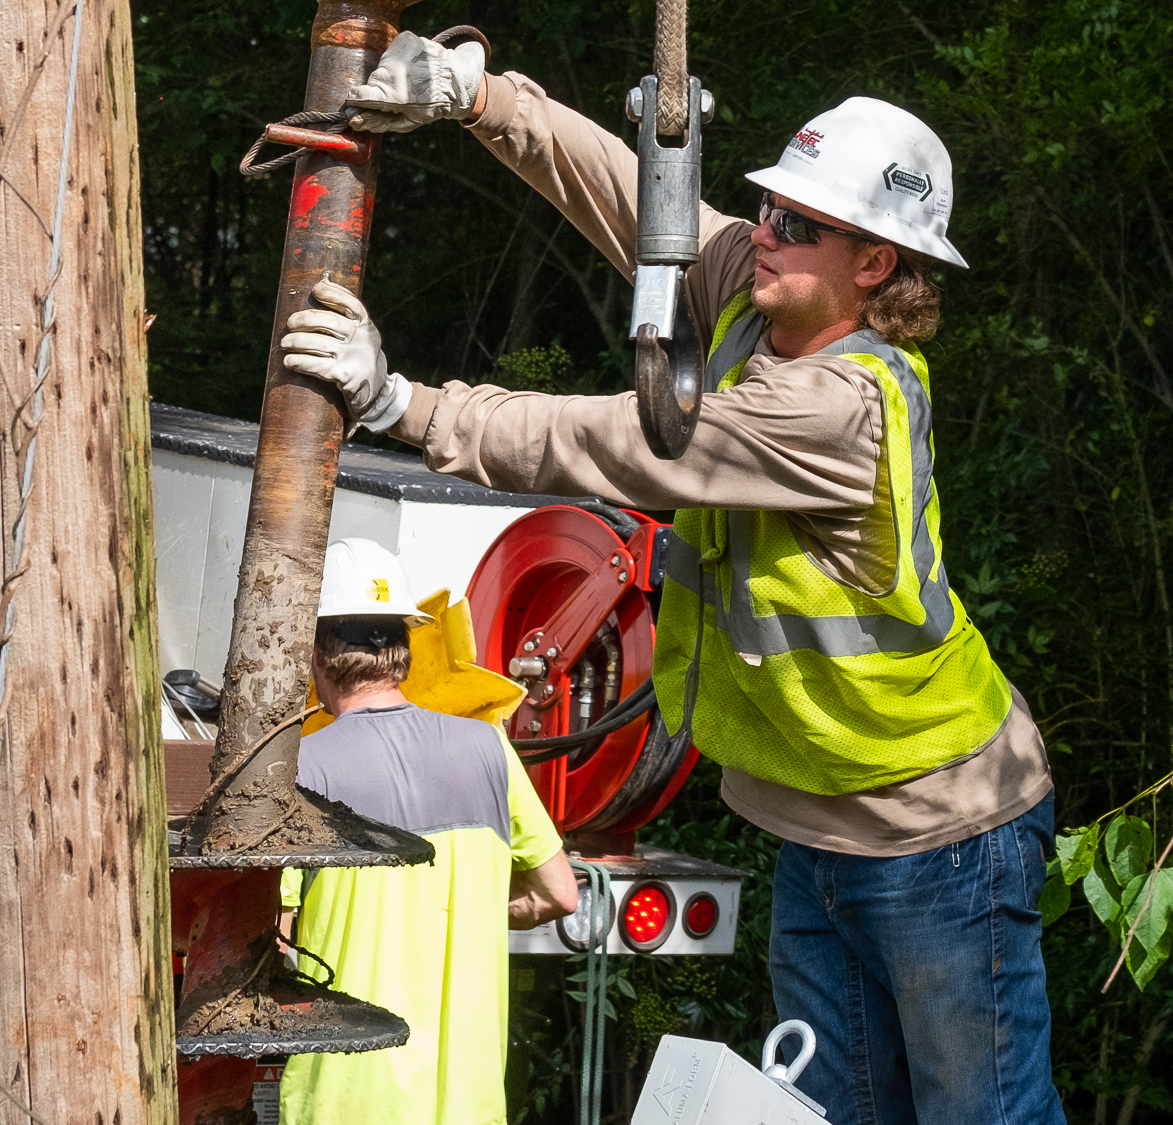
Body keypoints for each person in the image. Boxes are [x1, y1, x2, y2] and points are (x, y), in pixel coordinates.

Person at [277, 35, 1063, 1125]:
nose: (765, 231)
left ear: (874, 263)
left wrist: (408, 408)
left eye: (798, 223)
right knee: (828, 1113)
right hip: (823, 826)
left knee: (981, 1113)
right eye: (770, 210)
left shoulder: (840, 408)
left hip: (940, 827)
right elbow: (633, 207)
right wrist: (482, 99)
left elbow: (634, 444)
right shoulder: (766, 301)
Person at [279, 538, 576, 1125]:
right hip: (468, 1101)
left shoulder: (300, 770)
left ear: (315, 655)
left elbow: (279, 937)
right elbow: (559, 894)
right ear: (408, 648)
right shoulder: (489, 748)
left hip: (346, 1099)